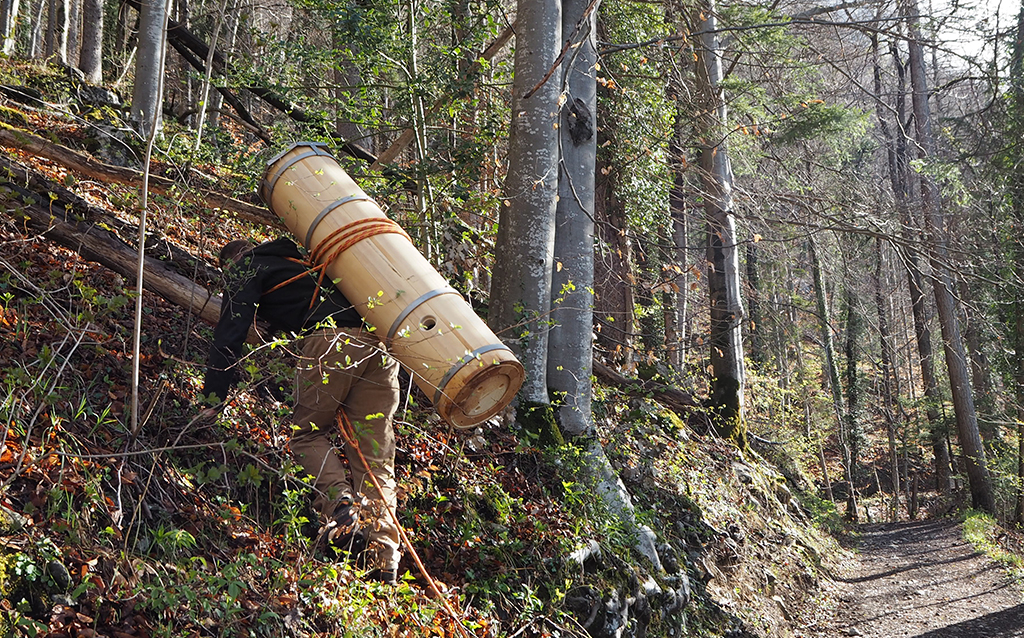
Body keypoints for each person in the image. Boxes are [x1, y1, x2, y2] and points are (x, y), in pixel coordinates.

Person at [200, 237, 401, 584]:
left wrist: (212, 399)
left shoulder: (246, 266)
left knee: (307, 435)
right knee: (374, 453)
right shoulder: (303, 261)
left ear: (231, 264)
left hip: (332, 341)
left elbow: (231, 331)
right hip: (379, 345)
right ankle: (385, 558)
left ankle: (340, 506)